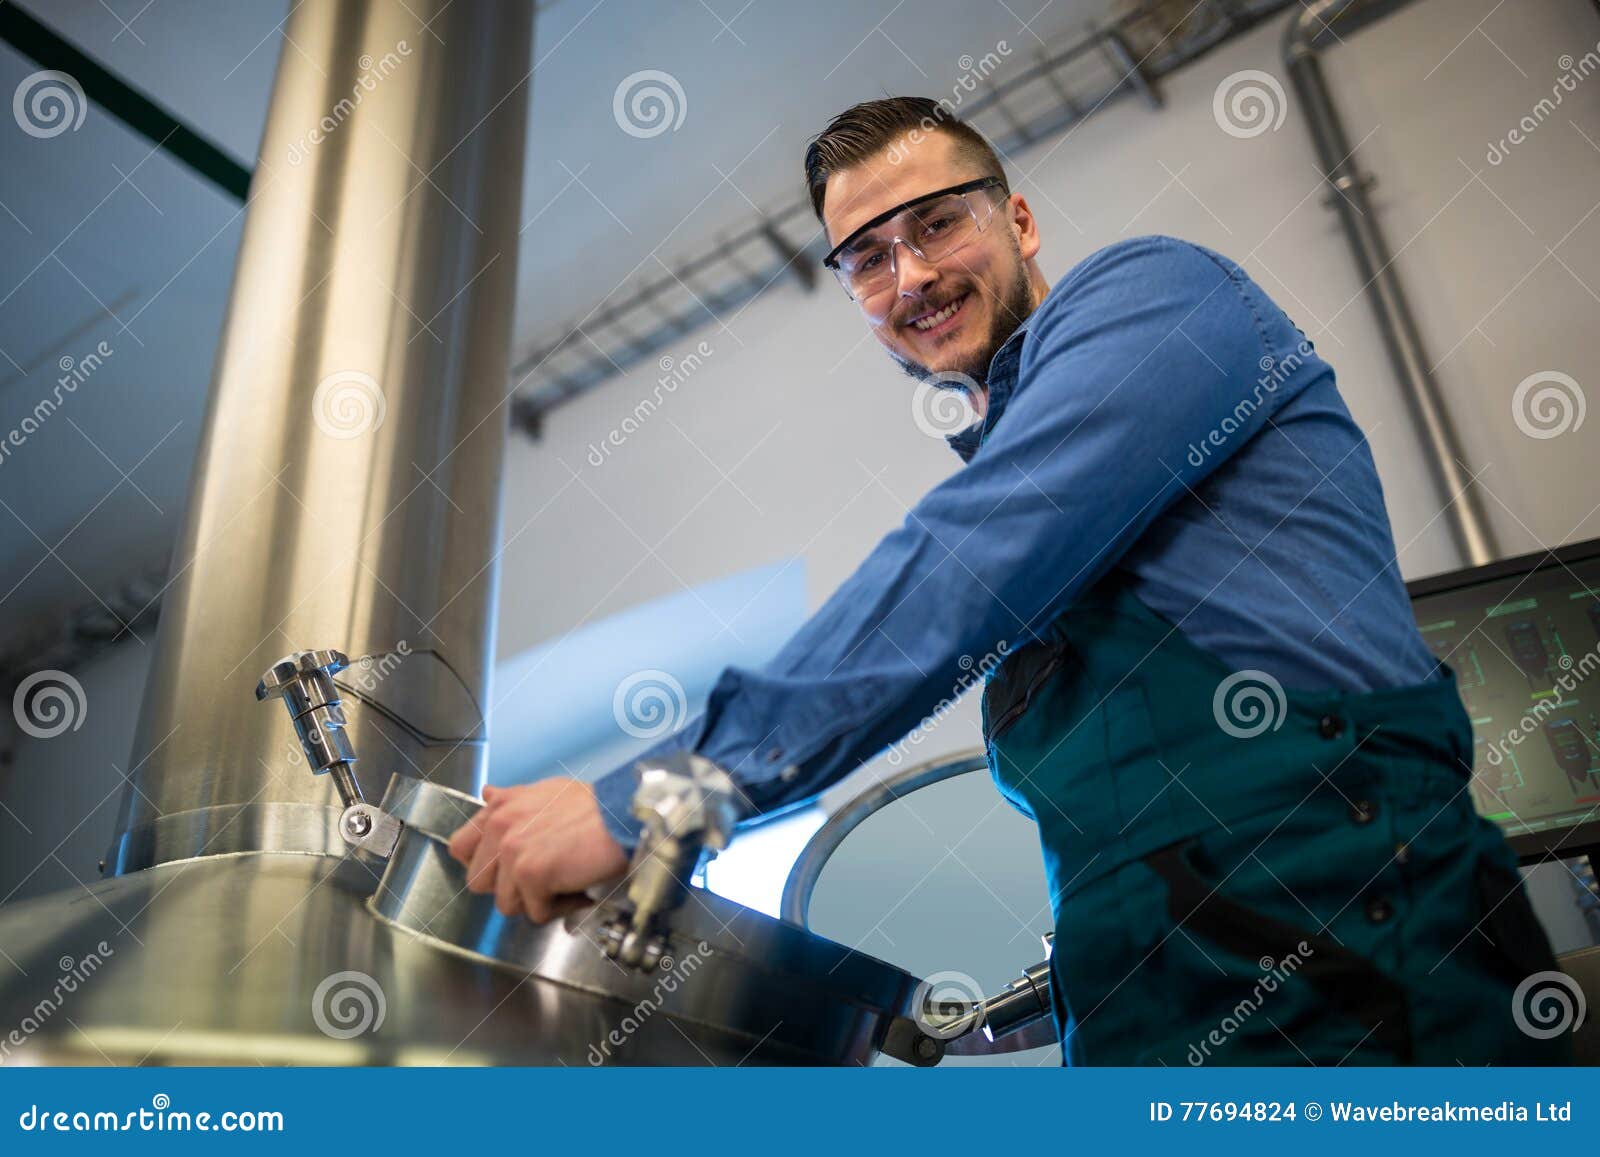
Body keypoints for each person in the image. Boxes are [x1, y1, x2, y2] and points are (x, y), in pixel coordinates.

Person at [448, 96, 1568, 1066]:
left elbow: (968, 560)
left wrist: (659, 796)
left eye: (937, 222)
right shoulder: (1039, 526)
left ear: (1017, 219)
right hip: (1156, 1015)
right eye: (868, 258)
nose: (914, 275)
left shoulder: (1157, 295)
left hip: (1361, 961)